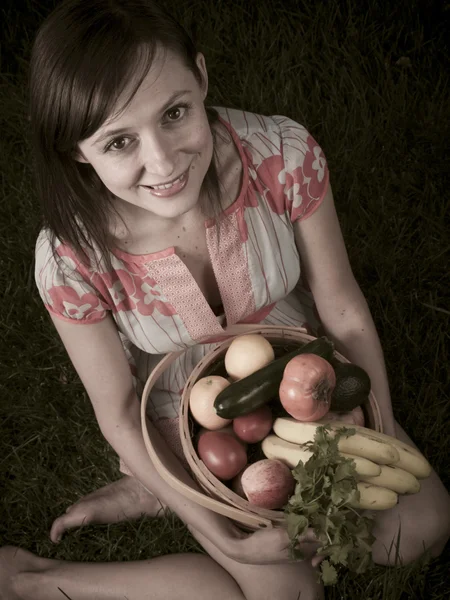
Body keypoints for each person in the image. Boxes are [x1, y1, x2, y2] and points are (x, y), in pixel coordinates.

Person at [2, 0, 449, 598]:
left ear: (203, 77)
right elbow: (117, 409)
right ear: (77, 149)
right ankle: (41, 577)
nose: (162, 162)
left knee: (420, 530)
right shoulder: (69, 258)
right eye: (117, 143)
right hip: (180, 408)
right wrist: (225, 538)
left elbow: (342, 308)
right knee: (288, 594)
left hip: (298, 369)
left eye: (176, 112)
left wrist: (380, 438)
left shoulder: (282, 158)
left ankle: (154, 497)